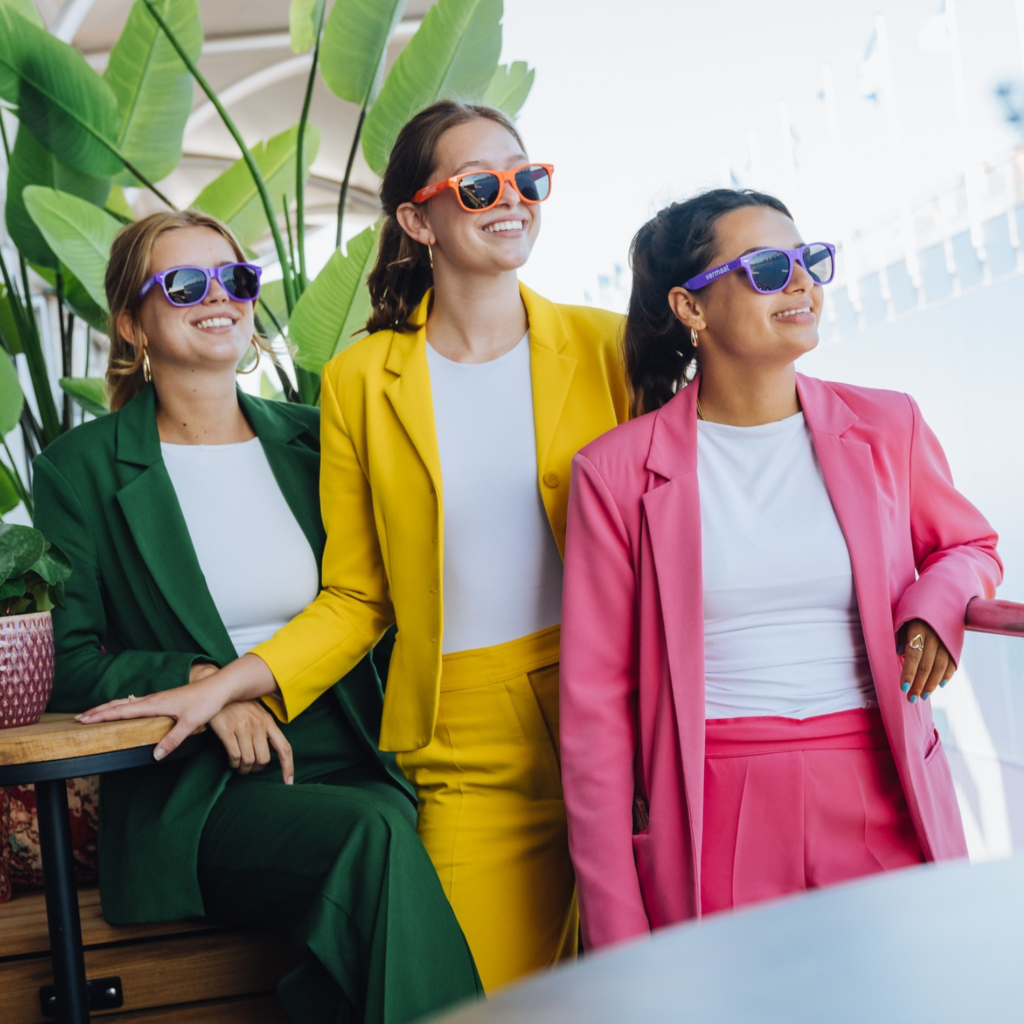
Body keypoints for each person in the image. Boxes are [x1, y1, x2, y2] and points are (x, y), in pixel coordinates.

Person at [75, 102, 630, 991]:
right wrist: (214, 683)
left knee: (647, 991)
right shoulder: (360, 383)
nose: (512, 199)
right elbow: (358, 599)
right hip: (461, 740)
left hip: (621, 718)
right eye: (480, 184)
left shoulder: (611, 346)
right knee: (464, 998)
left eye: (527, 178)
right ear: (418, 219)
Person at [35, 210, 482, 1024]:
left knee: (382, 831)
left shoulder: (314, 439)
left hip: (346, 749)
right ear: (132, 321)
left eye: (236, 279)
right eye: (184, 283)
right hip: (197, 786)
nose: (219, 298)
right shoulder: (82, 469)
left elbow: (385, 598)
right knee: (370, 838)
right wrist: (210, 686)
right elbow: (65, 661)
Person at [558, 188, 1003, 951]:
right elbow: (594, 715)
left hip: (881, 778)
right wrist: (620, 936)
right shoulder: (614, 474)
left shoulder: (888, 423)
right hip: (717, 801)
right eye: (768, 268)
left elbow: (970, 547)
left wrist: (935, 604)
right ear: (691, 309)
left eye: (810, 260)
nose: (802, 282)